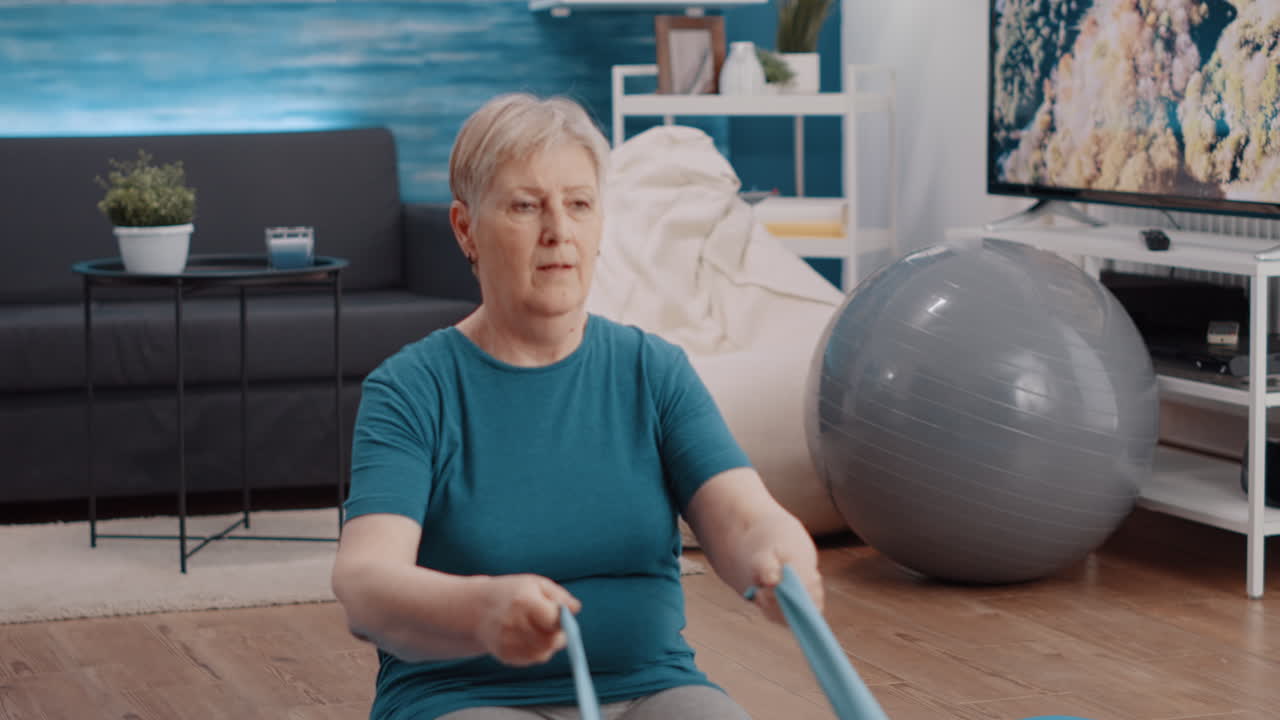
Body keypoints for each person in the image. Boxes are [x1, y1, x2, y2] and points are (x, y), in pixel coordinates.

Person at [331, 92, 823, 720]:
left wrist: (781, 555)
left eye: (579, 204)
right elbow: (364, 583)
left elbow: (743, 517)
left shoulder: (654, 372)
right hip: (461, 696)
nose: (558, 230)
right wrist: (479, 611)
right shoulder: (410, 390)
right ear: (465, 228)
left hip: (650, 685)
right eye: (526, 205)